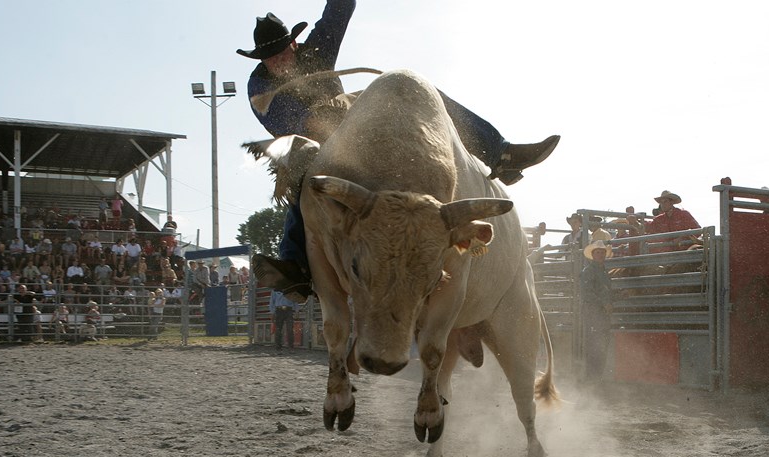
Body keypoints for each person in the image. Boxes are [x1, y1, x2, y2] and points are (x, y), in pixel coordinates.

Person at [240, 3, 561, 300]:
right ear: (261, 61)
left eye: (281, 52)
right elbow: (288, 119)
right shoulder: (259, 85)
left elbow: (339, 10)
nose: (277, 61)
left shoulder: (317, 50)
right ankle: (295, 263)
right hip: (307, 141)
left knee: (425, 95)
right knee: (302, 174)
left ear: (292, 44)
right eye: (270, 58)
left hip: (351, 125)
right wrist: (316, 118)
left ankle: (499, 155)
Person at [579, 240, 614, 381]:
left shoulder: (603, 272)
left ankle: (596, 378)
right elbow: (587, 293)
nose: (600, 255)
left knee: (601, 346)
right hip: (593, 314)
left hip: (602, 315)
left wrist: (617, 296)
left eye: (602, 252)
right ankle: (592, 378)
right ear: (593, 255)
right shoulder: (588, 272)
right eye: (598, 252)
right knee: (594, 346)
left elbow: (606, 293)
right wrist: (604, 303)